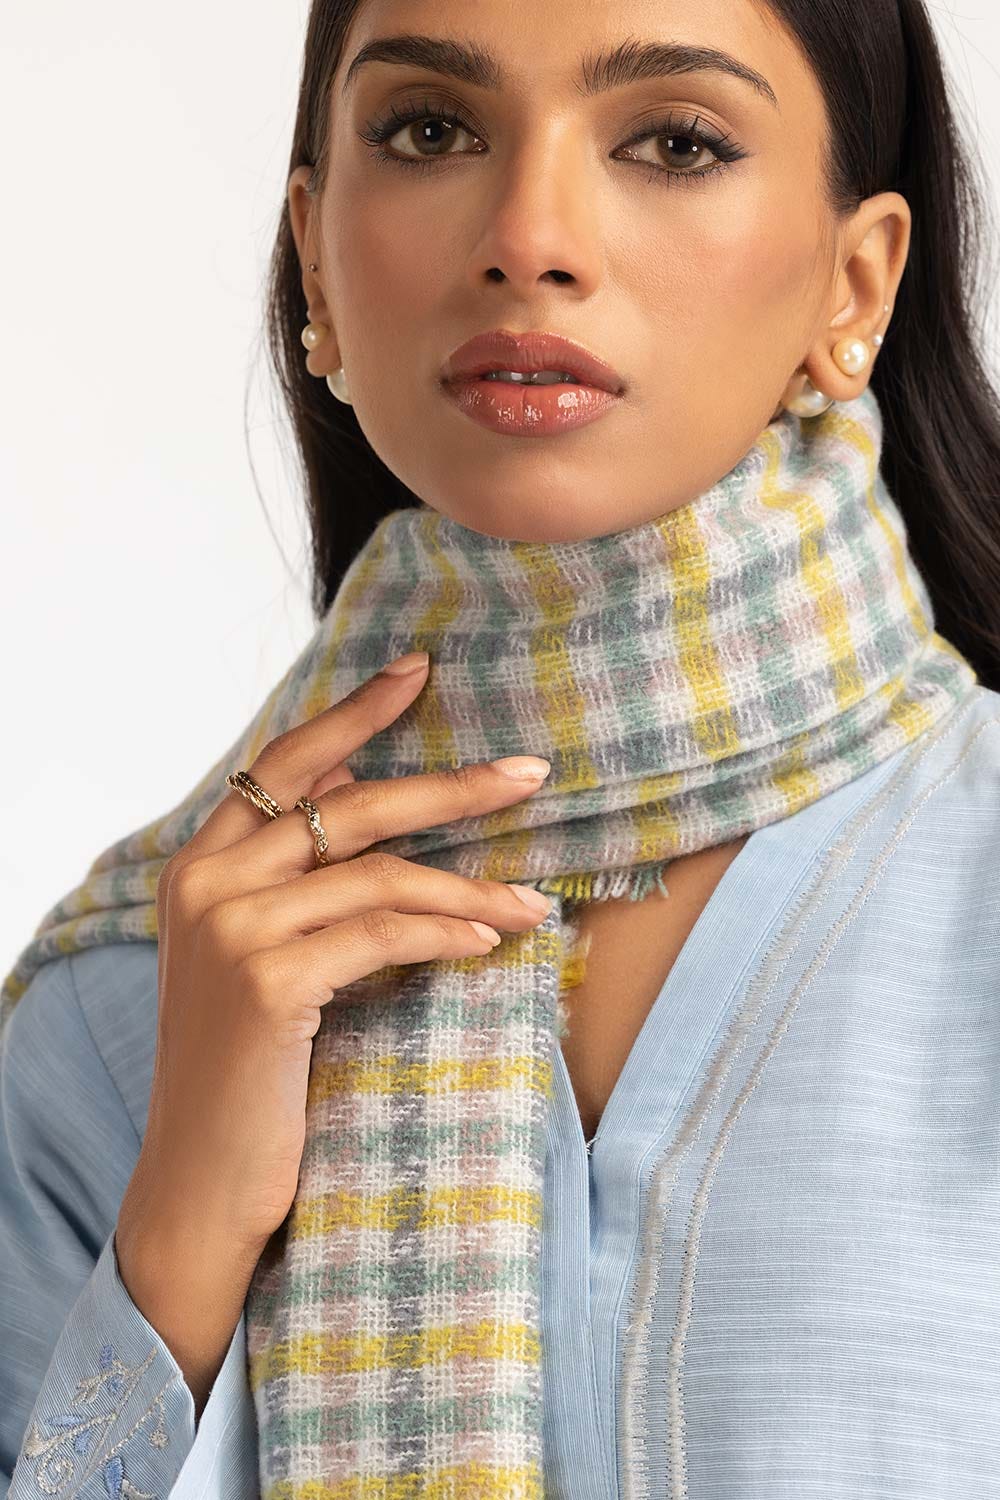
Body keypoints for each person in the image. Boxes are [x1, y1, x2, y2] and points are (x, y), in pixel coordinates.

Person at [3, 1, 1000, 1496]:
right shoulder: (130, 1007)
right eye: (432, 131)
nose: (531, 238)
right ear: (316, 257)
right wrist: (187, 1231)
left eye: (675, 143)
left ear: (854, 283)